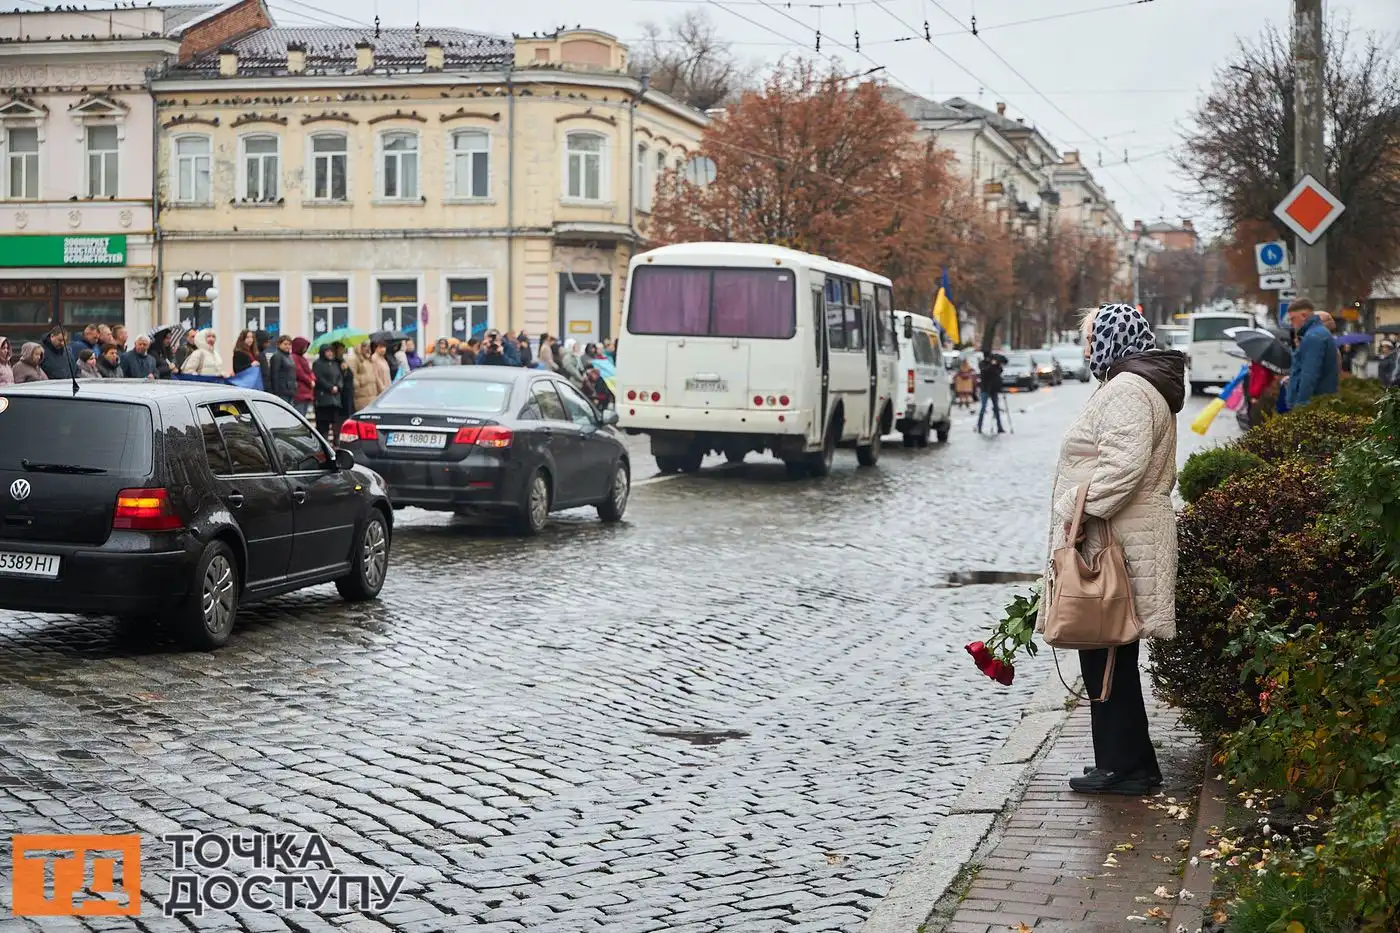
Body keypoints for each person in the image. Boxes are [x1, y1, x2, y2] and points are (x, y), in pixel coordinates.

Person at [1038, 303, 1184, 796]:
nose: (1085, 350)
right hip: (1123, 535)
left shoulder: (1127, 389)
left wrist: (1074, 510)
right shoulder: (1134, 385)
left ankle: (1125, 767)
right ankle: (1129, 763)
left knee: (1105, 653)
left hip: (1115, 539)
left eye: (1090, 339)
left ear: (1111, 340)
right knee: (1110, 654)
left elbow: (1122, 468)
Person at [1283, 299, 1339, 409]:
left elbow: (1309, 374)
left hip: (1313, 404)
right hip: (1319, 402)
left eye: (1293, 319)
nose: (1291, 323)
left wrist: (1301, 406)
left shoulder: (1313, 337)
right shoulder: (1318, 333)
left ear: (1303, 316)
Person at [312, 344, 343, 439]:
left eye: (331, 351)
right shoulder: (318, 364)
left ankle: (336, 442)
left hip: (335, 400)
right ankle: (323, 442)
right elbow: (319, 378)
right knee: (323, 425)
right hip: (323, 399)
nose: (330, 353)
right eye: (327, 351)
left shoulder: (335, 364)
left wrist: (338, 386)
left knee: (336, 423)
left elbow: (339, 377)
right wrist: (330, 387)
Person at [977, 350, 1007, 434]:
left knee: (996, 408)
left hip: (994, 388)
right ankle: (979, 426)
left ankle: (999, 427)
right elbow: (985, 371)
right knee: (983, 408)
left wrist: (997, 363)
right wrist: (991, 365)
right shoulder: (982, 364)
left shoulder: (996, 364)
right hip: (985, 388)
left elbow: (1000, 369)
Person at [267, 334, 298, 404]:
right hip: (281, 392)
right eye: (285, 344)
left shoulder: (289, 356)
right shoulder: (277, 356)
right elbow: (274, 375)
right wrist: (275, 393)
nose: (288, 346)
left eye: (289, 344)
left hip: (290, 390)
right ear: (279, 344)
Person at [334, 342, 355, 431]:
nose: (342, 351)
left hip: (348, 392)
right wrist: (343, 371)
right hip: (341, 394)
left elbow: (350, 375)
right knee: (341, 418)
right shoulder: (335, 362)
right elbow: (338, 377)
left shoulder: (343, 361)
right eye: (340, 349)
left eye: (343, 349)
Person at [292, 337, 315, 414]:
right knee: (299, 414)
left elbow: (309, 371)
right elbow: (299, 372)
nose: (305, 349)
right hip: (300, 392)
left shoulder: (302, 358)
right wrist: (309, 381)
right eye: (304, 347)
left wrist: (313, 379)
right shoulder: (294, 357)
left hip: (306, 392)